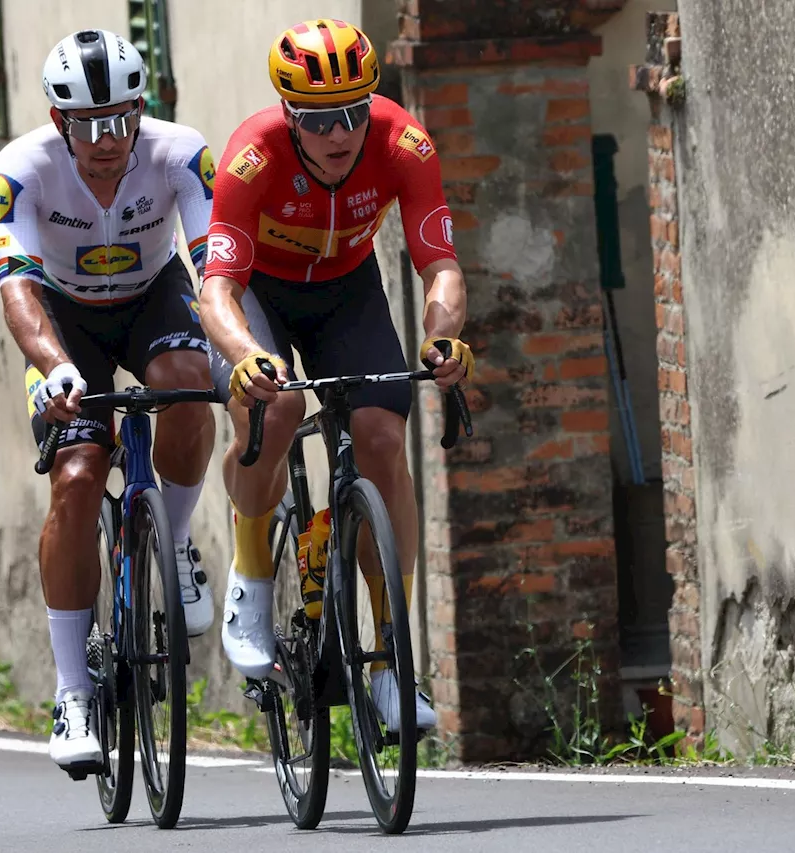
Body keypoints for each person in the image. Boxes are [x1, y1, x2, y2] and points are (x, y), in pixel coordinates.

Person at [198, 18, 475, 734]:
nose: (340, 132)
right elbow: (217, 290)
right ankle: (252, 573)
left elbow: (440, 265)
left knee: (383, 438)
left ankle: (390, 667)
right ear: (290, 115)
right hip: (262, 293)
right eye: (320, 119)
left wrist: (443, 337)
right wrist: (244, 355)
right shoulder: (251, 159)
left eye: (354, 111)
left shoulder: (403, 144)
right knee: (276, 410)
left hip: (347, 291)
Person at [0, 28, 219, 772]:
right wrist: (55, 367)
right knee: (81, 472)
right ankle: (72, 692)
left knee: (190, 386)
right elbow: (18, 288)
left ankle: (175, 539)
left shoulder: (179, 151)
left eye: (120, 119)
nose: (106, 139)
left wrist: (237, 346)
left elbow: (214, 262)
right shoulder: (22, 168)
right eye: (87, 124)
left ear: (140, 110)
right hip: (65, 317)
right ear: (59, 123)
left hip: (153, 295)